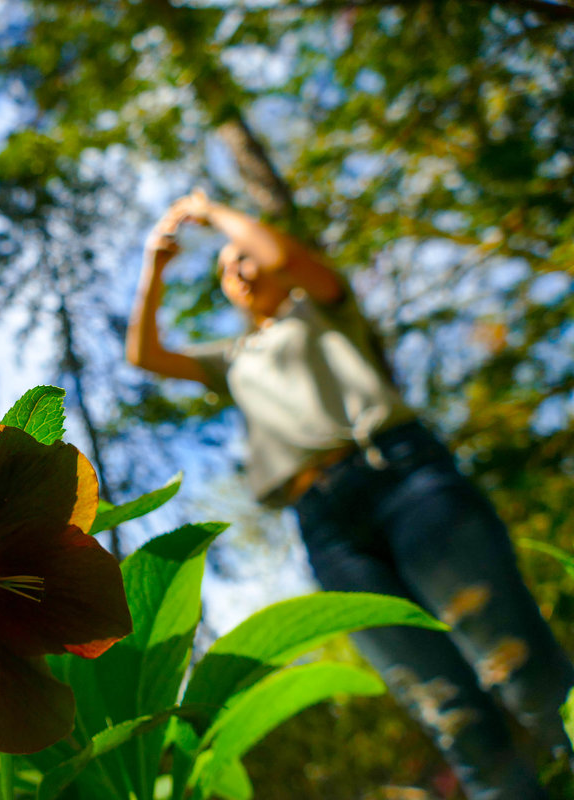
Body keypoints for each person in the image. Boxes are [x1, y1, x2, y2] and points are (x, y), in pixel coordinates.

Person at [127, 190, 574, 800]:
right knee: (450, 715)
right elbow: (145, 354)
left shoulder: (323, 307)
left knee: (520, 666)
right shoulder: (232, 359)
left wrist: (213, 216)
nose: (239, 268)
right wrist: (154, 265)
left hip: (403, 480)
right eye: (226, 269)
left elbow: (278, 252)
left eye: (244, 257)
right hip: (327, 528)